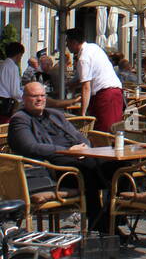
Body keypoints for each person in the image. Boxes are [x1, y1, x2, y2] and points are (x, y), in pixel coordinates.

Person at [8, 82, 116, 232]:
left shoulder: (55, 114)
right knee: (91, 172)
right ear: (24, 98)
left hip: (78, 157)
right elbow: (29, 147)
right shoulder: (20, 119)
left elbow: (80, 136)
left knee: (118, 167)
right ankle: (104, 223)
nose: (39, 99)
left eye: (42, 95)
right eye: (34, 96)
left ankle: (112, 219)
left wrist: (84, 147)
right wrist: (67, 150)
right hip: (54, 168)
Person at [66, 29, 125, 130]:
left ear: (74, 42)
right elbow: (93, 74)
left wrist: (83, 113)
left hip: (106, 95)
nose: (67, 46)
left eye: (68, 43)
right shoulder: (94, 47)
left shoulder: (83, 58)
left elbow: (86, 87)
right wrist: (72, 84)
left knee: (106, 131)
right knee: (110, 129)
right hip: (113, 92)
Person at [0, 41, 25, 118]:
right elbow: (15, 92)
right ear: (18, 55)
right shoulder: (13, 67)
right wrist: (26, 96)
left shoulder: (2, 64)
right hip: (5, 103)